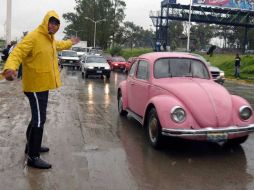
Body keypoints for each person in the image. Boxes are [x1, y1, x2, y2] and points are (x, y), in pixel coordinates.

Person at [2, 10, 79, 169]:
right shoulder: (34, 37)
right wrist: (10, 68)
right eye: (52, 22)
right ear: (46, 22)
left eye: (57, 24)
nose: (54, 26)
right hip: (35, 86)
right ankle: (33, 156)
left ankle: (30, 146)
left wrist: (70, 42)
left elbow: (59, 45)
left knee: (37, 117)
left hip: (42, 85)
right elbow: (18, 52)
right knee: (39, 119)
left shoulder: (50, 39)